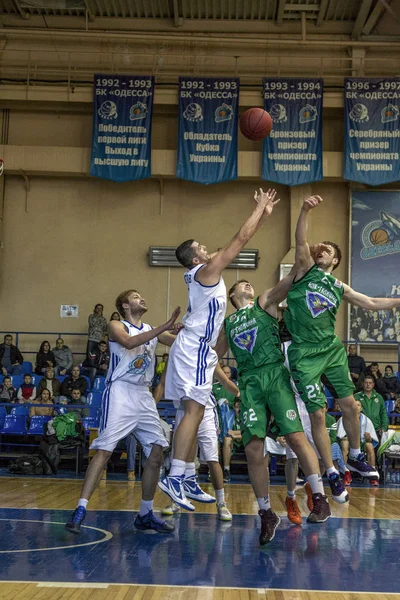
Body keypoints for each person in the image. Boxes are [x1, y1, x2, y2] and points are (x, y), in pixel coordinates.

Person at [159, 188, 281, 513]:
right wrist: (260, 210)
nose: (208, 249)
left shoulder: (200, 274)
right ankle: (175, 476)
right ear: (197, 259)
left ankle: (182, 475)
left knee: (195, 412)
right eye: (202, 248)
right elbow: (238, 240)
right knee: (193, 413)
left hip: (195, 349)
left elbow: (220, 248)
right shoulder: (207, 272)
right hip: (196, 348)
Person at [285, 194, 400, 488]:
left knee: (351, 406)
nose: (321, 250)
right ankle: (330, 470)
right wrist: (305, 209)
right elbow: (300, 241)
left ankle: (356, 456)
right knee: (319, 413)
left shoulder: (339, 285)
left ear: (335, 260)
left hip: (331, 348)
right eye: (319, 247)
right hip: (305, 352)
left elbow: (372, 302)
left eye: (328, 250)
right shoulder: (304, 270)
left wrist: (398, 301)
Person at [216, 277, 330, 545]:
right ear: (232, 295)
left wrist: (309, 259)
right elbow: (212, 358)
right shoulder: (228, 324)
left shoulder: (264, 301)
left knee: (295, 437)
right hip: (249, 382)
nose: (247, 284)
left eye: (249, 282)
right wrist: (232, 387)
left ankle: (319, 497)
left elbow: (291, 280)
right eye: (241, 284)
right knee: (254, 448)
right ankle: (266, 512)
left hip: (275, 375)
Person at [65, 288, 181, 535]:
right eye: (137, 296)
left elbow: (177, 341)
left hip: (143, 394)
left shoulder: (150, 329)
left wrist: (184, 330)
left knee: (157, 453)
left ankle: (145, 514)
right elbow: (129, 342)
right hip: (119, 392)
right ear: (125, 305)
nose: (142, 298)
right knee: (104, 450)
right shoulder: (115, 325)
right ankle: (80, 509)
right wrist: (165, 326)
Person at [162, 363, 239, 521]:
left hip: (206, 412)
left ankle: (221, 503)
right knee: (180, 459)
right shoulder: (178, 353)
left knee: (212, 459)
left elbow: (225, 381)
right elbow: (163, 382)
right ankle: (176, 501)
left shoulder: (207, 354)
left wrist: (240, 392)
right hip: (183, 411)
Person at [337, 400, 379, 487]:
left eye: (359, 405)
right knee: (344, 444)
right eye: (355, 405)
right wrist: (348, 437)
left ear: (361, 408)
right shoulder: (344, 418)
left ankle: (372, 475)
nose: (356, 407)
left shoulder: (367, 421)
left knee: (370, 446)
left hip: (361, 443)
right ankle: (346, 473)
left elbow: (372, 440)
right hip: (348, 442)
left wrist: (369, 438)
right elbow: (340, 436)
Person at [222, 398, 243, 482]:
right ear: (234, 407)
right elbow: (227, 432)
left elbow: (249, 432)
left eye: (241, 407)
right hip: (233, 440)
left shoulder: (247, 415)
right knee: (227, 440)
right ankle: (226, 470)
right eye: (237, 406)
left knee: (251, 439)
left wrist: (235, 433)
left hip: (245, 439)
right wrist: (236, 434)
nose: (239, 409)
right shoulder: (229, 415)